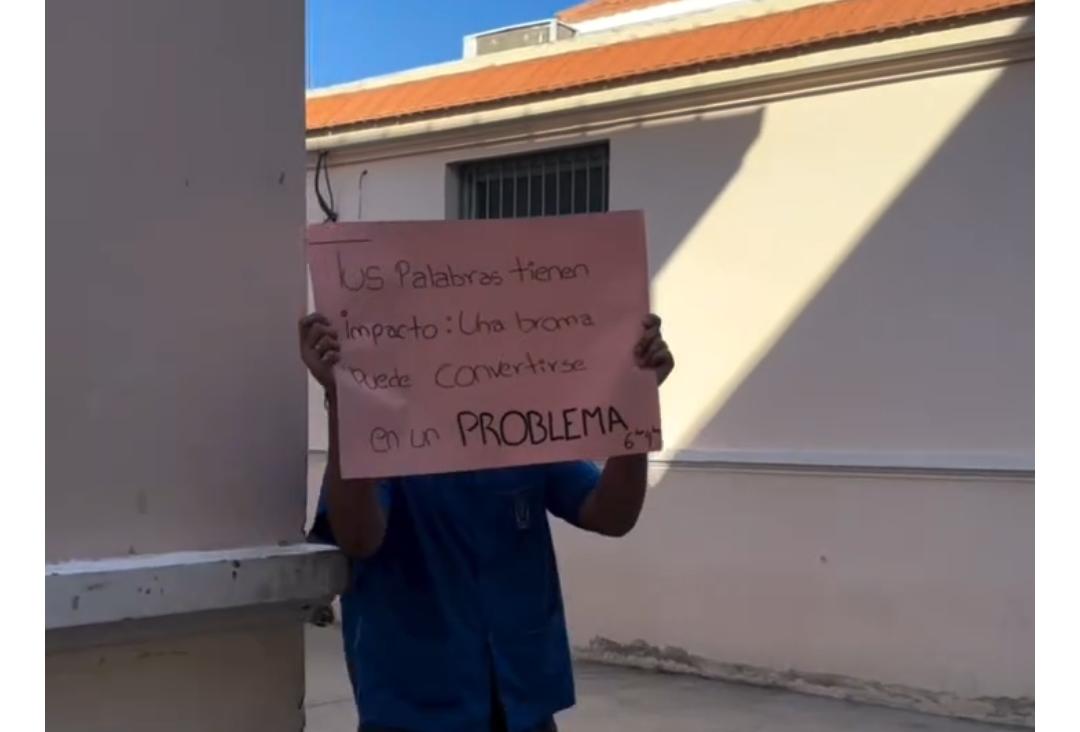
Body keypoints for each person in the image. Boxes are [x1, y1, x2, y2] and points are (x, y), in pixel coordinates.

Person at [300, 311, 674, 732]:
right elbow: (358, 537)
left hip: (523, 705)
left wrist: (636, 406)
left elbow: (611, 515)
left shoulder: (520, 428)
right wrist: (347, 407)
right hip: (415, 709)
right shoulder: (383, 436)